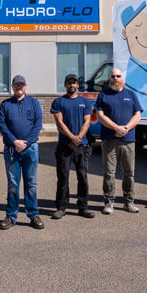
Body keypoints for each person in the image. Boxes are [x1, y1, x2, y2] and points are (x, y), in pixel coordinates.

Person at [0, 74, 44, 230]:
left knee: (31, 183)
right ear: (12, 86)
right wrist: (14, 142)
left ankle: (33, 214)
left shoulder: (34, 103)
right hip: (11, 149)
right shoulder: (5, 105)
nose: (19, 87)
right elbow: (2, 126)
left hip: (30, 149)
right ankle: (11, 216)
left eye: (21, 84)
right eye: (16, 84)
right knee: (13, 184)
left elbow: (37, 126)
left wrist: (26, 143)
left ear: (25, 86)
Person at [95, 67, 143, 214]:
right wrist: (116, 128)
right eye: (113, 76)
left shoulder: (131, 95)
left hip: (128, 140)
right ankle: (109, 202)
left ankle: (129, 202)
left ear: (123, 79)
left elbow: (137, 115)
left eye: (118, 76)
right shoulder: (103, 95)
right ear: (109, 79)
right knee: (109, 173)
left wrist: (126, 128)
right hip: (109, 140)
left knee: (129, 173)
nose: (115, 78)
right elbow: (100, 116)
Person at [50, 74, 94, 219]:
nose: (71, 85)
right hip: (64, 146)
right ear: (65, 84)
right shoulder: (58, 102)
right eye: (69, 83)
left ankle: (83, 207)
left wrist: (79, 138)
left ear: (78, 85)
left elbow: (87, 122)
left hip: (82, 146)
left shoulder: (85, 102)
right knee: (63, 177)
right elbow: (59, 123)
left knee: (82, 177)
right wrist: (72, 138)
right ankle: (61, 207)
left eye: (74, 83)